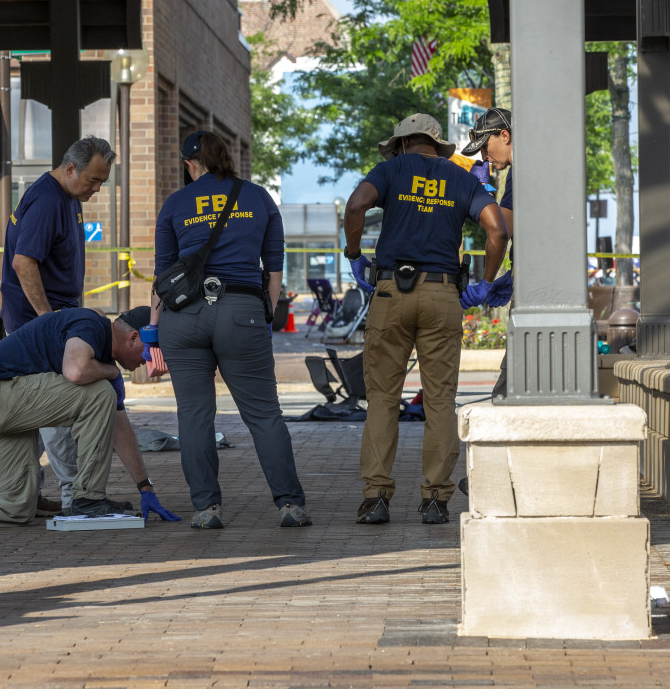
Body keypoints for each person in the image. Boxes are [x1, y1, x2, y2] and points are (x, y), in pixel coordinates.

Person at [343, 113, 509, 525]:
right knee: (439, 401)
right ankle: (436, 499)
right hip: (442, 295)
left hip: (391, 292)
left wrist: (354, 254)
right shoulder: (462, 179)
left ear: (401, 144)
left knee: (382, 398)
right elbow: (498, 231)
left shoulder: (390, 169)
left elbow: (356, 205)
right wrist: (486, 284)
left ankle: (377, 497)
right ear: (437, 145)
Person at [0, 307, 180, 532]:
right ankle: (87, 499)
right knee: (100, 391)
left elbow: (120, 428)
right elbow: (75, 370)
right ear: (132, 337)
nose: (148, 363)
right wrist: (111, 373)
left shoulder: (100, 360)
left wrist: (145, 487)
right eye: (150, 352)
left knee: (16, 506)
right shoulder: (93, 325)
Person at [150, 130, 311, 530]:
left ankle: (207, 509)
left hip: (183, 317)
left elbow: (163, 279)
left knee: (194, 416)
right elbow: (274, 270)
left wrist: (152, 334)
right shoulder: (258, 197)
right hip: (242, 310)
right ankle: (289, 505)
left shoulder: (175, 203)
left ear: (191, 164)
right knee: (263, 414)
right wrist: (264, 314)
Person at [0, 135, 116, 512]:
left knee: (34, 411)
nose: (96, 190)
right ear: (70, 168)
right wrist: (48, 322)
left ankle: (28, 496)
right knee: (58, 409)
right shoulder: (49, 200)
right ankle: (75, 496)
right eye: (92, 181)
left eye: (102, 182)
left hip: (47, 321)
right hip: (37, 325)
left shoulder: (67, 196)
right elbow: (23, 263)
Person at [459, 108, 516, 400]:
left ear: (504, 135)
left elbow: (501, 228)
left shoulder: (525, 171)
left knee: (512, 381)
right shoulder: (524, 171)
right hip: (531, 277)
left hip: (543, 289)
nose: (484, 157)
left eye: (485, 147)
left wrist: (479, 192)